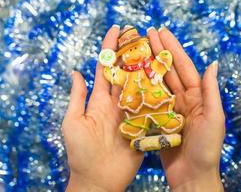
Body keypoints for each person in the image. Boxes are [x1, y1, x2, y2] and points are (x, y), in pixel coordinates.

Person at [62, 25, 225, 192]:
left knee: (163, 115)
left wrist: (164, 58)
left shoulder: (151, 67)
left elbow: (163, 62)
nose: (135, 53)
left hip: (158, 102)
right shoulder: (126, 73)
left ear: (146, 47)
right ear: (124, 56)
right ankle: (135, 129)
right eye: (129, 50)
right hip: (133, 108)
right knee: (135, 121)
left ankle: (168, 124)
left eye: (137, 47)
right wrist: (109, 67)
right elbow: (115, 76)